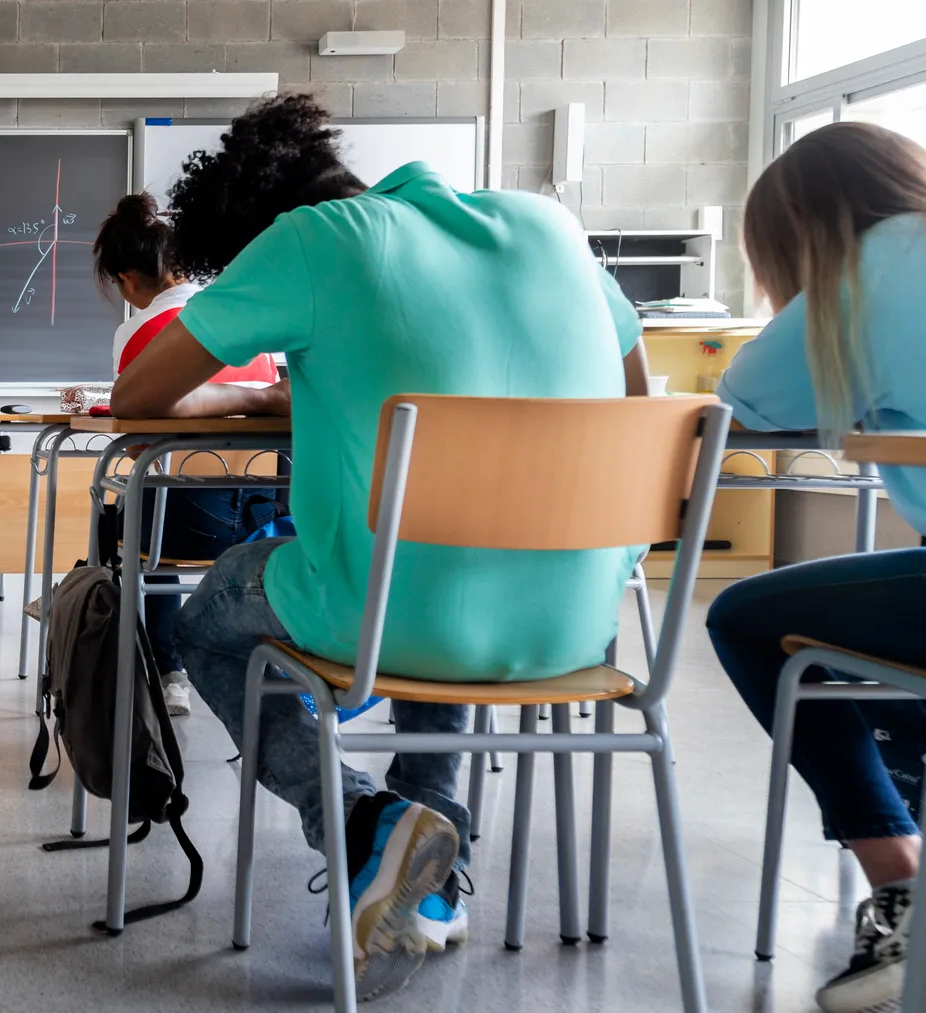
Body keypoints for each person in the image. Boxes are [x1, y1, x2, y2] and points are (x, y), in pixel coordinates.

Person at [112, 94, 648, 1000]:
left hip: (398, 611)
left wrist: (250, 398)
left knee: (206, 623)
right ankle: (432, 867)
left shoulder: (316, 238)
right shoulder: (551, 226)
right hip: (577, 621)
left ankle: (368, 824)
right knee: (454, 565)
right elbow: (632, 393)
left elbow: (139, 389)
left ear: (266, 227)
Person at [705, 122, 926, 1013]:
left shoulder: (878, 267)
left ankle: (910, 880)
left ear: (805, 226)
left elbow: (753, 392)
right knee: (879, 617)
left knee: (751, 618)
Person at [92, 192, 284, 716]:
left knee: (132, 504)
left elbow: (137, 432)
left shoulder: (137, 334)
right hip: (262, 518)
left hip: (183, 525)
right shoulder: (257, 332)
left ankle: (168, 667)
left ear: (128, 281)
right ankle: (266, 662)